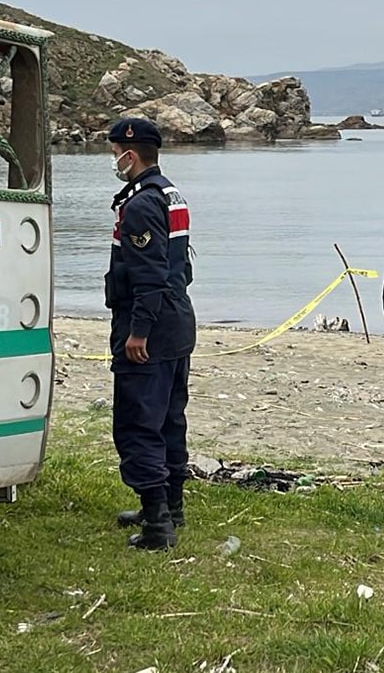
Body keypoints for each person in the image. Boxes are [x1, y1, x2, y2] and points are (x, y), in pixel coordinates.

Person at [105, 118, 197, 550]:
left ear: (130, 153)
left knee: (139, 421)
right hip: (177, 319)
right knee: (169, 419)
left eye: (115, 153)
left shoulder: (141, 204)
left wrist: (138, 331)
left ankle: (158, 524)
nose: (114, 161)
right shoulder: (171, 194)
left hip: (151, 325)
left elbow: (148, 274)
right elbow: (181, 266)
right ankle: (170, 506)